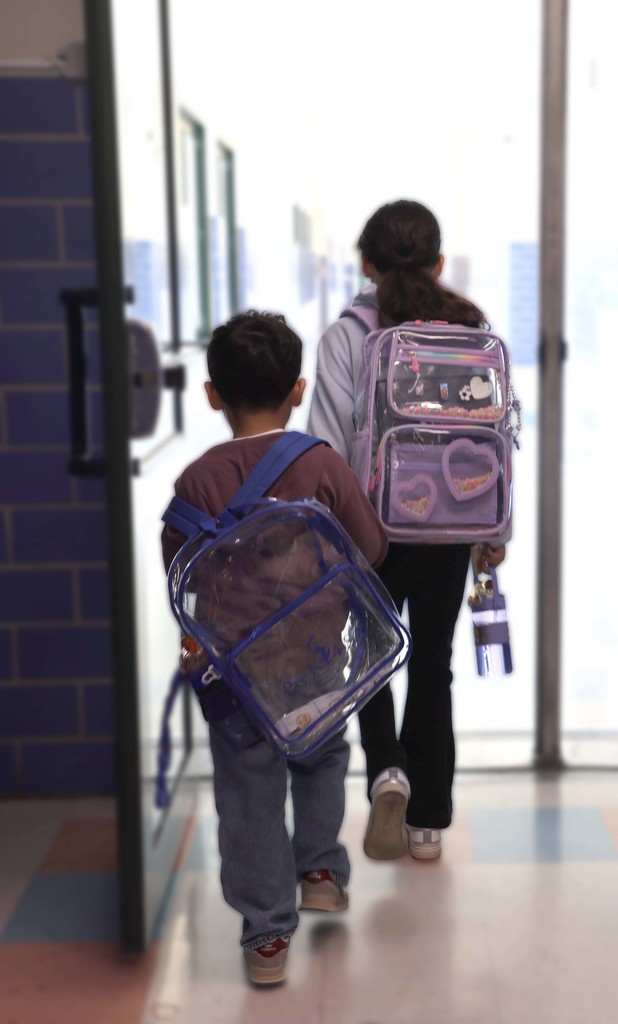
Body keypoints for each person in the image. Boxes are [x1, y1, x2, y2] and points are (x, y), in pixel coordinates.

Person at [161, 310, 388, 985]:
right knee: (319, 760)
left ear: (211, 394)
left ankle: (265, 936)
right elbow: (371, 548)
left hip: (237, 672)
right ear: (298, 389)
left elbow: (182, 579)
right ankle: (319, 869)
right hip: (318, 662)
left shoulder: (197, 482)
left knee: (249, 793)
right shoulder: (320, 463)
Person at [307, 199, 506, 863]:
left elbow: (326, 448)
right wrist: (492, 525)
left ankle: (387, 767)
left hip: (372, 530)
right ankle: (428, 821)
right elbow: (493, 434)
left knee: (368, 661)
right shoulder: (471, 328)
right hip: (453, 524)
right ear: (438, 263)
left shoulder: (347, 335)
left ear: (364, 262)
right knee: (432, 663)